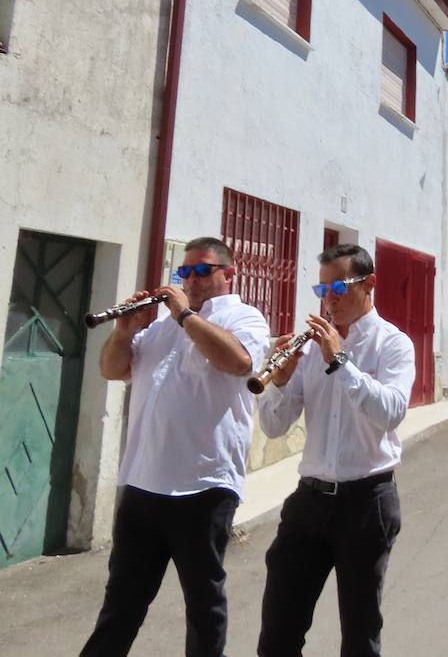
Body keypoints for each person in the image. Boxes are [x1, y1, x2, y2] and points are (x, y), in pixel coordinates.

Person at [80, 238, 270, 657]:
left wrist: (184, 313)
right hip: (143, 484)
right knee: (122, 604)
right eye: (186, 272)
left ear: (228, 273)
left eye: (203, 270)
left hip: (203, 487)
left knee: (203, 606)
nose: (192, 279)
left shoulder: (244, 317)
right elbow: (113, 369)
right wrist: (124, 331)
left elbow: (239, 362)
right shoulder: (161, 327)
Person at [255, 243, 415, 657]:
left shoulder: (393, 344)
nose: (330, 299)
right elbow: (274, 427)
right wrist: (282, 380)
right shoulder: (308, 347)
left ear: (370, 284)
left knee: (360, 635)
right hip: (309, 501)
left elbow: (391, 413)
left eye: (340, 286)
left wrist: (341, 362)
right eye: (322, 289)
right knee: (278, 632)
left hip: (366, 501)